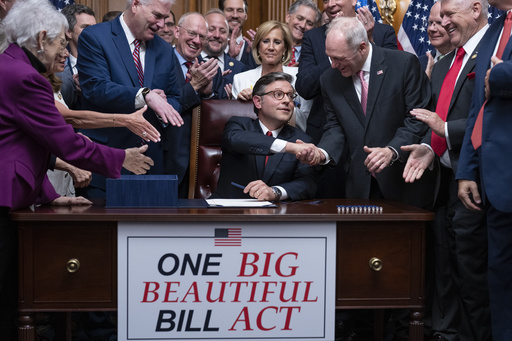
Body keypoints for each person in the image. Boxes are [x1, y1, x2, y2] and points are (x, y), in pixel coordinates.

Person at [0, 1, 153, 338]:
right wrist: (119, 158)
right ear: (41, 38)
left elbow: (20, 145)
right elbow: (64, 142)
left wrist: (49, 194)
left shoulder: (9, 64)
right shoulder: (26, 77)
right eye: (59, 42)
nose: (63, 52)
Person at [402, 0, 490, 339]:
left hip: (479, 179)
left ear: (476, 10)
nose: (443, 22)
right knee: (444, 265)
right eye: (440, 16)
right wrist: (427, 146)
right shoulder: (441, 66)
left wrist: (447, 130)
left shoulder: (489, 56)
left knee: (473, 270)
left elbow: (491, 117)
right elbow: (431, 121)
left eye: (449, 15)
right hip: (441, 181)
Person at [76, 0, 182, 199]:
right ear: (135, 4)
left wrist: (165, 106)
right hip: (106, 163)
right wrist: (145, 96)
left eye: (165, 18)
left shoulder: (165, 50)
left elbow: (174, 96)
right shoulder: (95, 37)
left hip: (152, 165)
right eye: (156, 16)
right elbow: (96, 88)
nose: (161, 25)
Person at [456, 0, 512, 337]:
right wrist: (467, 168)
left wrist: (500, 74)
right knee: (500, 280)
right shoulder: (493, 29)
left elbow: (496, 79)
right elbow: (481, 104)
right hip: (494, 180)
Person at [296, 0, 397, 144]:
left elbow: (394, 80)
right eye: (325, 0)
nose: (330, 4)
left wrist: (368, 43)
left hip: (378, 132)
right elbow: (304, 87)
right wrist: (336, 55)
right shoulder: (313, 37)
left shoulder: (383, 32)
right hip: (327, 134)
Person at [213, 72, 317, 200]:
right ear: (258, 101)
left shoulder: (303, 140)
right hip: (228, 211)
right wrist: (290, 147)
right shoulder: (238, 125)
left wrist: (275, 192)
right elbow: (235, 140)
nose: (287, 101)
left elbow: (307, 184)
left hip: (276, 215)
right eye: (278, 94)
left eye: (290, 96)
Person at [164, 12, 219, 198]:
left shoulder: (209, 68)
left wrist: (208, 94)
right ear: (177, 32)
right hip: (167, 162)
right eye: (192, 33)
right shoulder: (160, 62)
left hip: (200, 165)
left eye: (202, 37)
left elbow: (215, 120)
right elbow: (165, 108)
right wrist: (194, 86)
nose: (197, 40)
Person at [231, 20, 313, 132]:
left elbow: (305, 122)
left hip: (291, 140)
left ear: (284, 49)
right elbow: (237, 124)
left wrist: (285, 103)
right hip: (251, 141)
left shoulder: (299, 76)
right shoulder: (241, 79)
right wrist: (244, 103)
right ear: (258, 47)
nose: (271, 47)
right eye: (265, 41)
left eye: (277, 42)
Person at [56, 4, 96, 110]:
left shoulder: (107, 62)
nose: (94, 32)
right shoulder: (55, 69)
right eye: (86, 27)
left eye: (95, 27)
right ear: (68, 32)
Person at [201, 8, 247, 99]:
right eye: (211, 29)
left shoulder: (239, 68)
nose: (217, 35)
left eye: (222, 31)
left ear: (227, 36)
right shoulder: (189, 62)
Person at [419, 1, 455, 79]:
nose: (432, 28)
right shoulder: (419, 63)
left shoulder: (466, 61)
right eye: (430, 23)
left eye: (439, 23)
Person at [219, 0, 257, 69]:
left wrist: (256, 53)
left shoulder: (253, 48)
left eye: (240, 11)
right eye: (230, 10)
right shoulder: (211, 47)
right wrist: (230, 57)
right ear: (220, 14)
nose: (235, 15)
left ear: (246, 16)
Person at [285, 0, 321, 67]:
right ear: (288, 17)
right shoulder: (272, 46)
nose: (303, 25)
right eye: (300, 18)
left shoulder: (317, 54)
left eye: (309, 23)